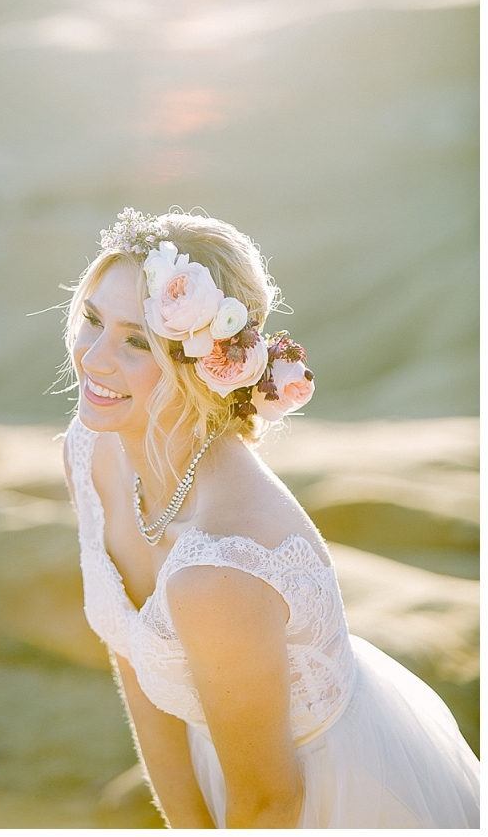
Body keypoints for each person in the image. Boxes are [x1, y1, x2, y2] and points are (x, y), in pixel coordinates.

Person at [61, 208, 479, 829]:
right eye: (92, 319)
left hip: (324, 798)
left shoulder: (221, 568)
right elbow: (134, 658)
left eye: (136, 341)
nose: (93, 357)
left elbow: (269, 804)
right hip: (223, 768)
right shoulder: (93, 450)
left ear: (203, 361)